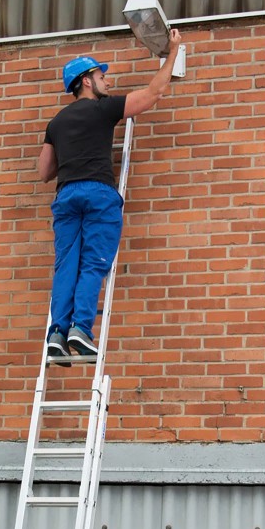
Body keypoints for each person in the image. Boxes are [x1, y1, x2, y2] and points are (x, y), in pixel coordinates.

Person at [36, 28, 186, 361]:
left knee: (66, 267)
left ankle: (57, 334)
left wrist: (73, 152)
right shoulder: (103, 109)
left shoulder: (56, 123)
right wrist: (173, 51)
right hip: (97, 194)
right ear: (86, 81)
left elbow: (45, 172)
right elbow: (152, 94)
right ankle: (81, 331)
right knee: (93, 264)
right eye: (101, 75)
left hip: (66, 198)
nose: (107, 80)